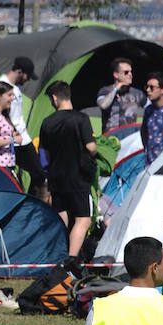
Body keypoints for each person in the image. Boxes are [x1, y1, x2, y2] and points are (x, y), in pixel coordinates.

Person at [39, 80, 98, 258]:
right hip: (78, 178)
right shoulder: (81, 119)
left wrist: (47, 174)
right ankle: (70, 261)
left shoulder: (47, 122)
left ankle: (59, 255)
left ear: (55, 98)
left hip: (57, 178)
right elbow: (91, 147)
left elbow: (43, 155)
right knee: (83, 220)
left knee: (61, 217)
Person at [0, 56, 46, 192]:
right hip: (14, 141)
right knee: (34, 174)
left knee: (38, 174)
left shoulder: (15, 88)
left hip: (23, 138)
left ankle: (30, 202)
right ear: (19, 71)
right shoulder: (1, 85)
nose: (28, 79)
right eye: (27, 76)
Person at [96, 58, 147, 133]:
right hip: (111, 137)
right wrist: (117, 88)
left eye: (131, 72)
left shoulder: (137, 93)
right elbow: (103, 105)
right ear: (116, 74)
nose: (130, 75)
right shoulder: (105, 91)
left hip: (130, 137)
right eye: (126, 72)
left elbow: (151, 107)